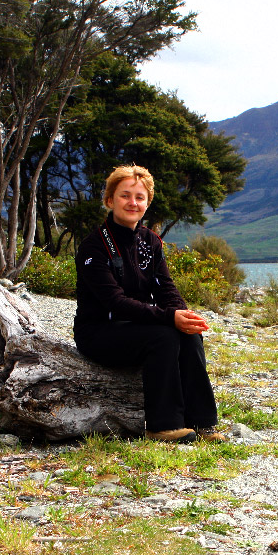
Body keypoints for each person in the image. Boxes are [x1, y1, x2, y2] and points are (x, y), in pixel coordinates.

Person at [73, 165, 225, 443]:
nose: (133, 203)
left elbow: (166, 288)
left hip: (135, 326)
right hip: (98, 332)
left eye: (139, 197)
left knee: (188, 335)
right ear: (110, 200)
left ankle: (202, 422)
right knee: (164, 335)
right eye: (125, 196)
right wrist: (169, 318)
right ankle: (163, 425)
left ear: (147, 203)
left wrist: (184, 315)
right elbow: (114, 302)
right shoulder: (93, 246)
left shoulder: (150, 241)